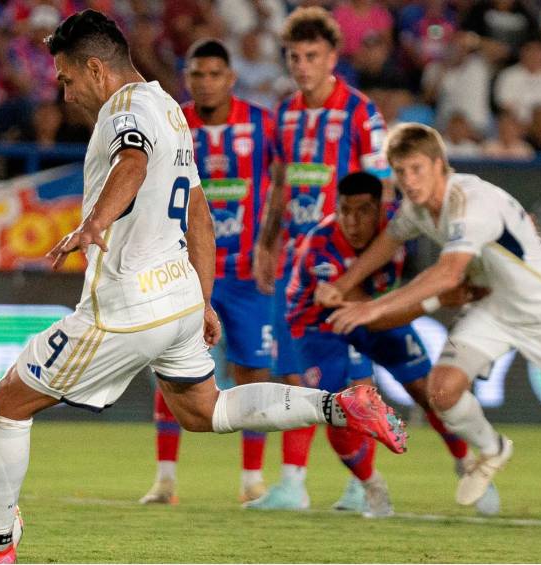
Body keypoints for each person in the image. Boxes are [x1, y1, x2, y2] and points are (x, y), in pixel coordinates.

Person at [0, 10, 407, 564]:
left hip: (128, 306)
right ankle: (339, 406)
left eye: (67, 79)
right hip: (177, 298)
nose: (65, 92)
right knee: (204, 410)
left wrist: (95, 222)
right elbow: (198, 210)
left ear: (96, 70)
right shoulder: (170, 109)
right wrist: (202, 296)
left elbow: (132, 161)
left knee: (8, 401)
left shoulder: (123, 111)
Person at [320, 122, 541, 509]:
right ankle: (492, 450)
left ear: (440, 165)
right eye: (401, 172)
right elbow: (389, 242)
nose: (409, 179)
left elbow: (448, 273)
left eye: (417, 169)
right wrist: (345, 283)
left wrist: (374, 306)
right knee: (442, 389)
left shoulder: (471, 203)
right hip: (494, 307)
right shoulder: (417, 208)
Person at [249, 171, 497, 516]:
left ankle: (467, 464)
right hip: (320, 328)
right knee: (337, 411)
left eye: (363, 211)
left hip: (378, 316)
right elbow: (360, 303)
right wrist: (440, 298)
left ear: (381, 209)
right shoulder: (321, 245)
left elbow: (446, 231)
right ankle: (371, 487)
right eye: (345, 210)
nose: (352, 221)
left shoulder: (401, 225)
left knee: (431, 393)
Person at [253, 5, 392, 506]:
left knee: (352, 379)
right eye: (294, 56)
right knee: (292, 373)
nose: (302, 65)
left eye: (312, 55)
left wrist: (367, 266)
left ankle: (364, 483)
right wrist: (266, 244)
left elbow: (382, 190)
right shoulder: (286, 113)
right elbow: (280, 184)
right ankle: (293, 483)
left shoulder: (360, 112)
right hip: (294, 264)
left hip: (342, 268)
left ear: (333, 56)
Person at [138, 39, 275, 506]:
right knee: (170, 368)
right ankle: (165, 480)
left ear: (230, 78)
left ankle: (252, 481)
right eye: (197, 74)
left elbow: (285, 183)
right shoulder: (173, 120)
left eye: (215, 73)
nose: (205, 82)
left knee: (252, 371)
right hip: (183, 269)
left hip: (245, 272)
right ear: (187, 78)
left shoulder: (262, 124)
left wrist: (273, 243)